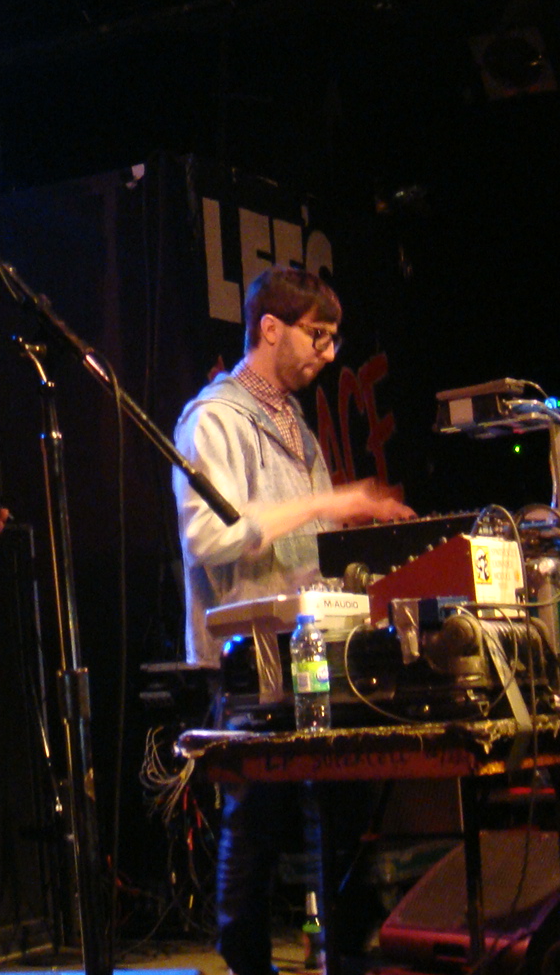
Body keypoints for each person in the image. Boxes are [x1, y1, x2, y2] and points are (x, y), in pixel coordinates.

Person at [172, 266, 411, 975]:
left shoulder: (297, 427)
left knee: (341, 799)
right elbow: (209, 537)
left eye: (336, 339)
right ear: (270, 328)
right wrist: (327, 503)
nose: (329, 354)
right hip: (248, 657)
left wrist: (357, 534)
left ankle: (346, 948)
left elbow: (303, 542)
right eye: (318, 336)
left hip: (309, 645)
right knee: (258, 815)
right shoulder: (213, 419)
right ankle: (245, 960)